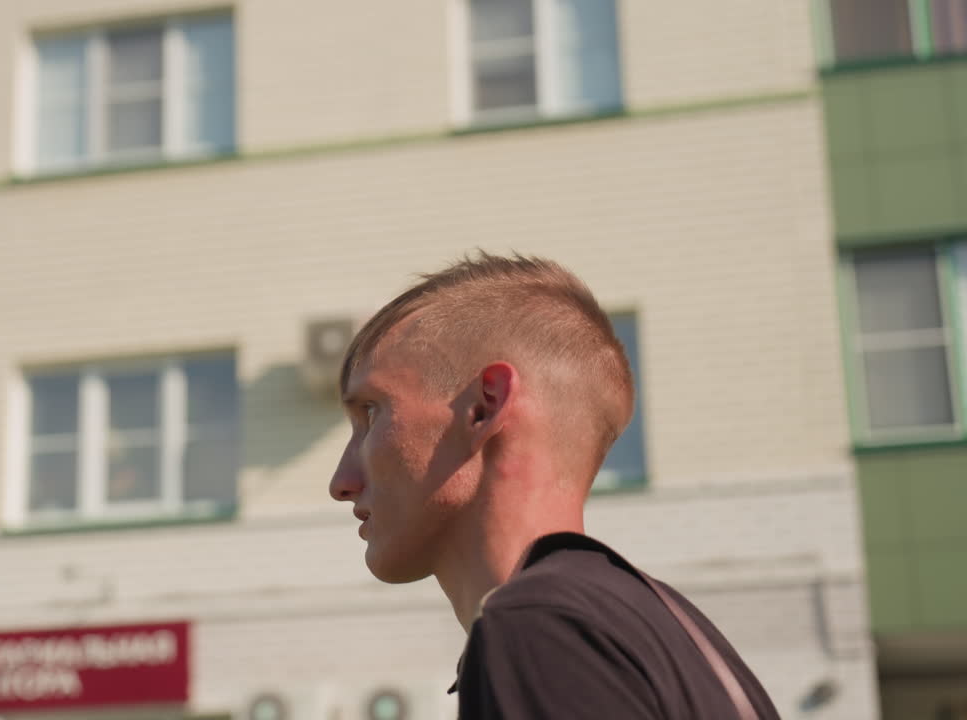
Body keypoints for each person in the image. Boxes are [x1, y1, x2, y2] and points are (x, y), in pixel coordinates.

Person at [329, 251, 780, 719]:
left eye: (372, 413)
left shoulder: (539, 629)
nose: (341, 483)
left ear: (484, 407)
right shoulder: (679, 635)